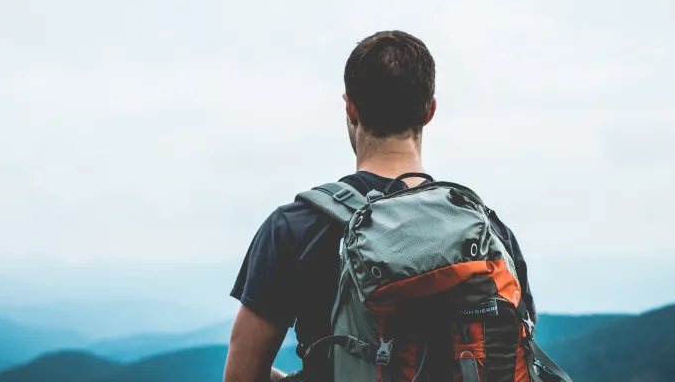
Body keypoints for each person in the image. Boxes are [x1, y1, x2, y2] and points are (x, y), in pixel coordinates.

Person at [223, 30, 536, 382]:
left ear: (350, 107)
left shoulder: (295, 228)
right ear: (430, 110)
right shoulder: (489, 233)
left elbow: (241, 376)